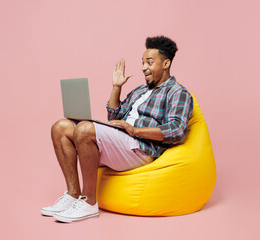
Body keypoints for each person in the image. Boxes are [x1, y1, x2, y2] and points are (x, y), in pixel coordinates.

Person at [41, 36, 193, 223]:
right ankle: (73, 194)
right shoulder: (140, 91)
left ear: (166, 63)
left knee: (85, 129)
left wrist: (134, 130)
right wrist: (116, 87)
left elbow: (176, 130)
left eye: (150, 62)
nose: (144, 67)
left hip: (141, 148)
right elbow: (114, 117)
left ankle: (89, 203)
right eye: (143, 62)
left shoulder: (178, 92)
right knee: (60, 127)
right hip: (122, 141)